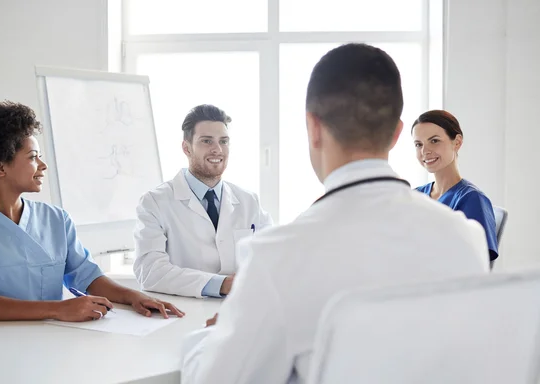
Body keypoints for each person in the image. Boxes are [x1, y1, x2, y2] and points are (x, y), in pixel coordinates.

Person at [180, 43, 489, 383]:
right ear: (398, 134)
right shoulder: (465, 237)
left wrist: (217, 334)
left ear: (313, 128)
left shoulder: (277, 256)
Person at [0, 99, 184, 321]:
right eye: (33, 157)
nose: (42, 165)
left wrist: (133, 296)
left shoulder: (55, 219)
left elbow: (87, 276)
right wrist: (57, 309)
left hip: (55, 344)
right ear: (0, 168)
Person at [134, 104, 273, 298]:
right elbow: (150, 271)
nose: (217, 149)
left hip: (239, 309)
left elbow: (272, 253)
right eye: (207, 141)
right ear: (186, 148)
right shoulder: (155, 202)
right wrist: (220, 284)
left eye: (223, 141)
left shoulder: (248, 201)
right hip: (184, 313)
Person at [412, 110, 498, 263]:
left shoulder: (472, 199)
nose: (425, 151)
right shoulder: (416, 195)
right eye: (419, 144)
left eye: (434, 141)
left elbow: (479, 263)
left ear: (457, 142)